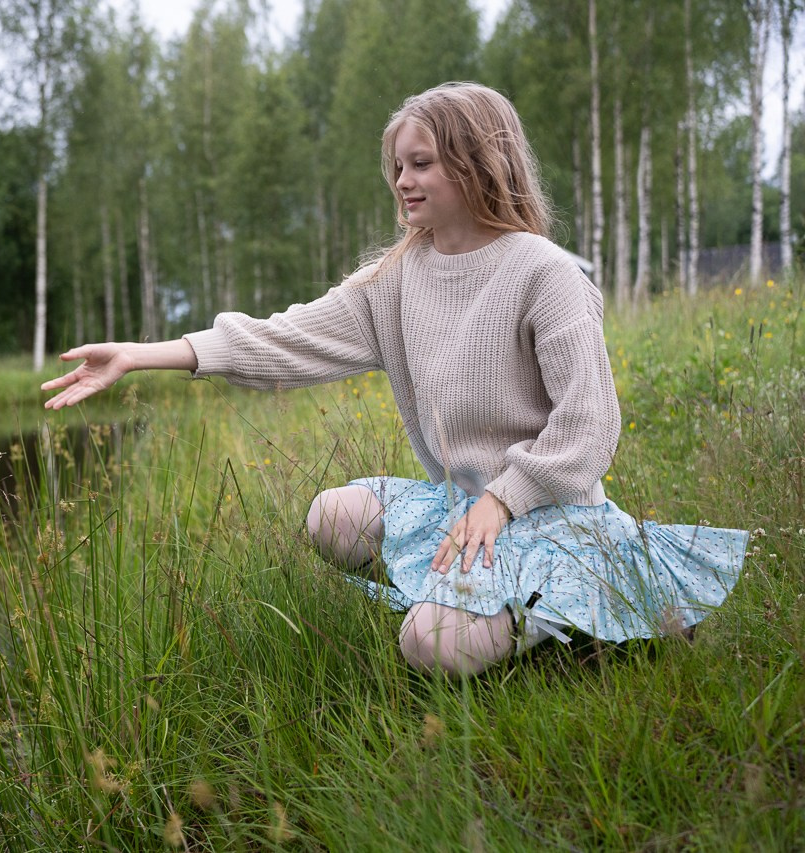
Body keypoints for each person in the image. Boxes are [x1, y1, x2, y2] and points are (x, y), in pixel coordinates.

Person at [41, 82, 747, 678]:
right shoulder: (395, 280)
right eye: (399, 166)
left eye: (421, 164)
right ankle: (489, 607)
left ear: (477, 165)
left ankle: (575, 617)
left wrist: (502, 501)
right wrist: (142, 354)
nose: (403, 181)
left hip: (553, 519)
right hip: (460, 511)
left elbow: (590, 426)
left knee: (425, 643)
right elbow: (282, 338)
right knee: (332, 517)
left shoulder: (547, 274)